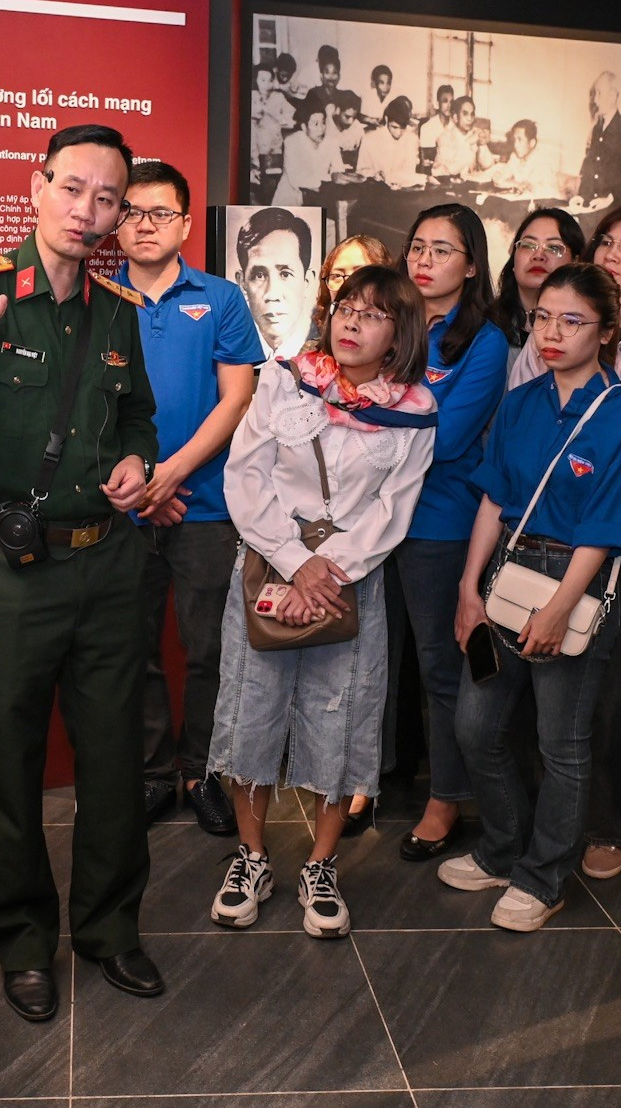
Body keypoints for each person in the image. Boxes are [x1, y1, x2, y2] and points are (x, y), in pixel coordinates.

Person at [0, 123, 161, 1022]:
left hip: (107, 566)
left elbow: (137, 415)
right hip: (7, 573)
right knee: (8, 764)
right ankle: (21, 943)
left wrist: (137, 460)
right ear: (37, 187)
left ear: (119, 214)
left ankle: (110, 931)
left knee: (114, 760)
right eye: (73, 189)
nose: (88, 211)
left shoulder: (117, 310)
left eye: (107, 198)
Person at [208, 266, 436, 937]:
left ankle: (321, 863)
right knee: (252, 711)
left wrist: (331, 571)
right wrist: (297, 561)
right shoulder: (286, 379)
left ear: (401, 334)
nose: (351, 322)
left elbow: (394, 508)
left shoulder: (415, 410)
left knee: (341, 720)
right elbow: (246, 476)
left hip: (351, 580)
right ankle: (251, 857)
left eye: (373, 313)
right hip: (270, 565)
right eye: (345, 308)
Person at [443, 263, 621, 931]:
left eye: (572, 320)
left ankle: (544, 877)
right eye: (542, 318)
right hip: (507, 571)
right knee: (476, 726)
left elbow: (607, 523)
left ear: (607, 330)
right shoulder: (520, 401)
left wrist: (560, 608)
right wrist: (469, 588)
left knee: (561, 740)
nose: (552, 333)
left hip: (576, 582)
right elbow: (495, 498)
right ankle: (503, 849)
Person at [516, 203, 621, 880]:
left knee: (617, 687)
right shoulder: (557, 322)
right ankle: (546, 820)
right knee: (542, 680)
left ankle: (612, 823)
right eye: (607, 242)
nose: (614, 254)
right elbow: (524, 413)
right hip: (540, 531)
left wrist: (601, 506)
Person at [116, 160, 264, 834]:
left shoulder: (222, 298)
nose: (144, 225)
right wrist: (141, 486)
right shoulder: (97, 297)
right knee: (133, 647)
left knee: (211, 649)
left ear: (183, 224)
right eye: (131, 212)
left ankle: (204, 771)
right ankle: (153, 774)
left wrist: (170, 475)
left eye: (160, 213)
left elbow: (237, 398)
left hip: (205, 503)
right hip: (122, 506)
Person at [391, 204, 508, 860]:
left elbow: (449, 437)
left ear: (470, 266)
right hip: (365, 519)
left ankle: (446, 799)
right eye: (417, 246)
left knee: (441, 666)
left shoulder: (484, 341)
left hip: (438, 521)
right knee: (375, 662)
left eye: (442, 249)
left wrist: (366, 431)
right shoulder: (389, 317)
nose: (425, 259)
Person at [490, 208, 585, 353]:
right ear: (514, 260)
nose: (538, 255)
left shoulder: (587, 327)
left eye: (553, 247)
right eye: (528, 245)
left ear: (575, 262)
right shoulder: (484, 325)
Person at [235, 205, 316, 359]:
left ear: (307, 281)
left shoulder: (326, 355)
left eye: (285, 274)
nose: (272, 294)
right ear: (242, 283)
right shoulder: (232, 351)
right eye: (259, 275)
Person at [309, 234, 391, 343]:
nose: (347, 284)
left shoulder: (398, 348)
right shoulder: (312, 351)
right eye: (337, 276)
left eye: (359, 273)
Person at [273, 89, 339, 207]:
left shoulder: (330, 141)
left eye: (323, 122)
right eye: (315, 124)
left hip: (318, 200)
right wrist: (329, 179)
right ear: (304, 127)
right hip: (290, 201)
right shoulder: (292, 142)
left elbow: (339, 169)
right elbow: (297, 179)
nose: (321, 129)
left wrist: (336, 175)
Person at [577, 72, 621, 207]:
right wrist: (581, 196)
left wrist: (609, 199)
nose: (595, 100)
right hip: (592, 204)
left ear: (612, 96)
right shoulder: (596, 129)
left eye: (599, 93)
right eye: (595, 93)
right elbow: (590, 166)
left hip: (614, 206)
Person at [356, 96, 422, 188]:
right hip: (375, 190)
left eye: (403, 127)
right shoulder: (369, 139)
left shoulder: (411, 139)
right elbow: (360, 171)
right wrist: (374, 174)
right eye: (394, 127)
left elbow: (409, 171)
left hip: (403, 191)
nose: (399, 133)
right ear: (386, 119)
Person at [488, 120, 562, 200]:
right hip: (519, 201)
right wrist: (517, 184)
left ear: (532, 143)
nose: (515, 145)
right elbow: (497, 179)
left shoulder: (544, 162)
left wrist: (529, 187)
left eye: (519, 140)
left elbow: (551, 192)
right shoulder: (515, 157)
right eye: (514, 140)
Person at [433, 97, 491, 180]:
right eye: (465, 114)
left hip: (470, 183)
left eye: (472, 114)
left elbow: (487, 165)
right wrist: (468, 143)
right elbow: (452, 170)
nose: (470, 118)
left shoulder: (473, 134)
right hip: (446, 183)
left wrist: (482, 144)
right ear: (455, 117)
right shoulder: (445, 138)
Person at [250, 63, 290, 179]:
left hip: (275, 148)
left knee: (274, 176)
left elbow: (291, 114)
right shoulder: (253, 96)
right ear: (255, 81)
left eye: (270, 80)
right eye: (263, 80)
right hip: (257, 148)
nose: (267, 85)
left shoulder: (278, 97)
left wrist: (281, 118)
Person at [418, 84, 459, 172]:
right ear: (438, 103)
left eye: (451, 102)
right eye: (445, 101)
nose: (449, 105)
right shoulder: (427, 127)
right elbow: (427, 161)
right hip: (432, 173)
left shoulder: (456, 127)